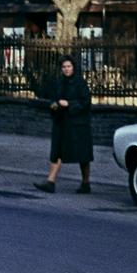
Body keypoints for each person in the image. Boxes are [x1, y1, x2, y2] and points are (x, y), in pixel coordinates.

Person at [35, 56, 93, 194]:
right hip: (61, 121)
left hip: (77, 123)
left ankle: (86, 182)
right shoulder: (59, 82)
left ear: (73, 67)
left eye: (69, 66)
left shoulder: (80, 83)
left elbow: (86, 102)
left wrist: (70, 104)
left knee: (82, 154)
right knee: (57, 151)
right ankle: (51, 181)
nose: (66, 69)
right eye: (64, 67)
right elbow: (53, 98)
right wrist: (53, 105)